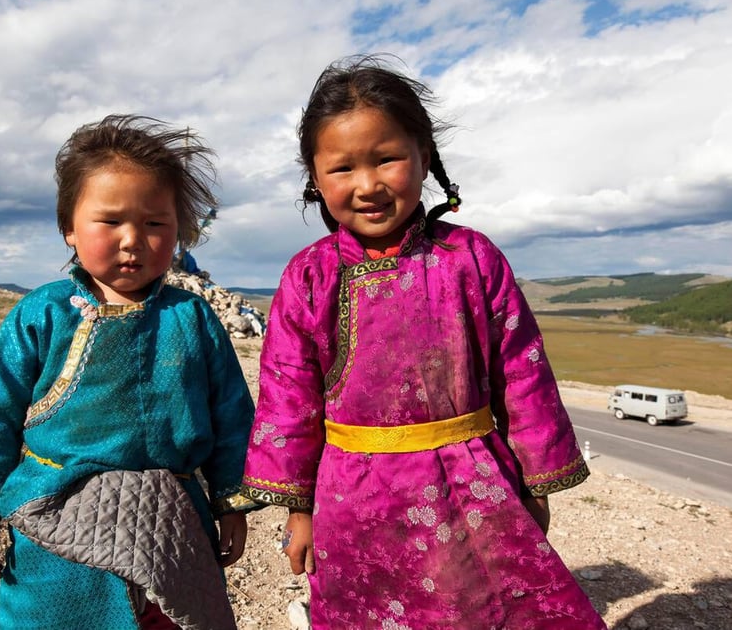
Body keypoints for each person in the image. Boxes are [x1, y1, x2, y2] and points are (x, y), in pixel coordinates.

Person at [241, 57, 607, 629]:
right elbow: (287, 399)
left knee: (482, 610)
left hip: (472, 484)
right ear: (314, 177)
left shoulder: (471, 258)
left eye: (387, 158)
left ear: (424, 157)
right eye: (342, 168)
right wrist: (299, 510)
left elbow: (523, 374)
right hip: (353, 502)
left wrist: (537, 485)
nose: (368, 186)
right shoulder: (306, 277)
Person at [0, 114, 257, 629]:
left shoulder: (192, 318)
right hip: (55, 512)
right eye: (111, 220)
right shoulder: (43, 314)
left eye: (154, 223)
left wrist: (231, 500)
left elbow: (232, 416)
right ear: (69, 229)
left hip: (172, 520)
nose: (132, 240)